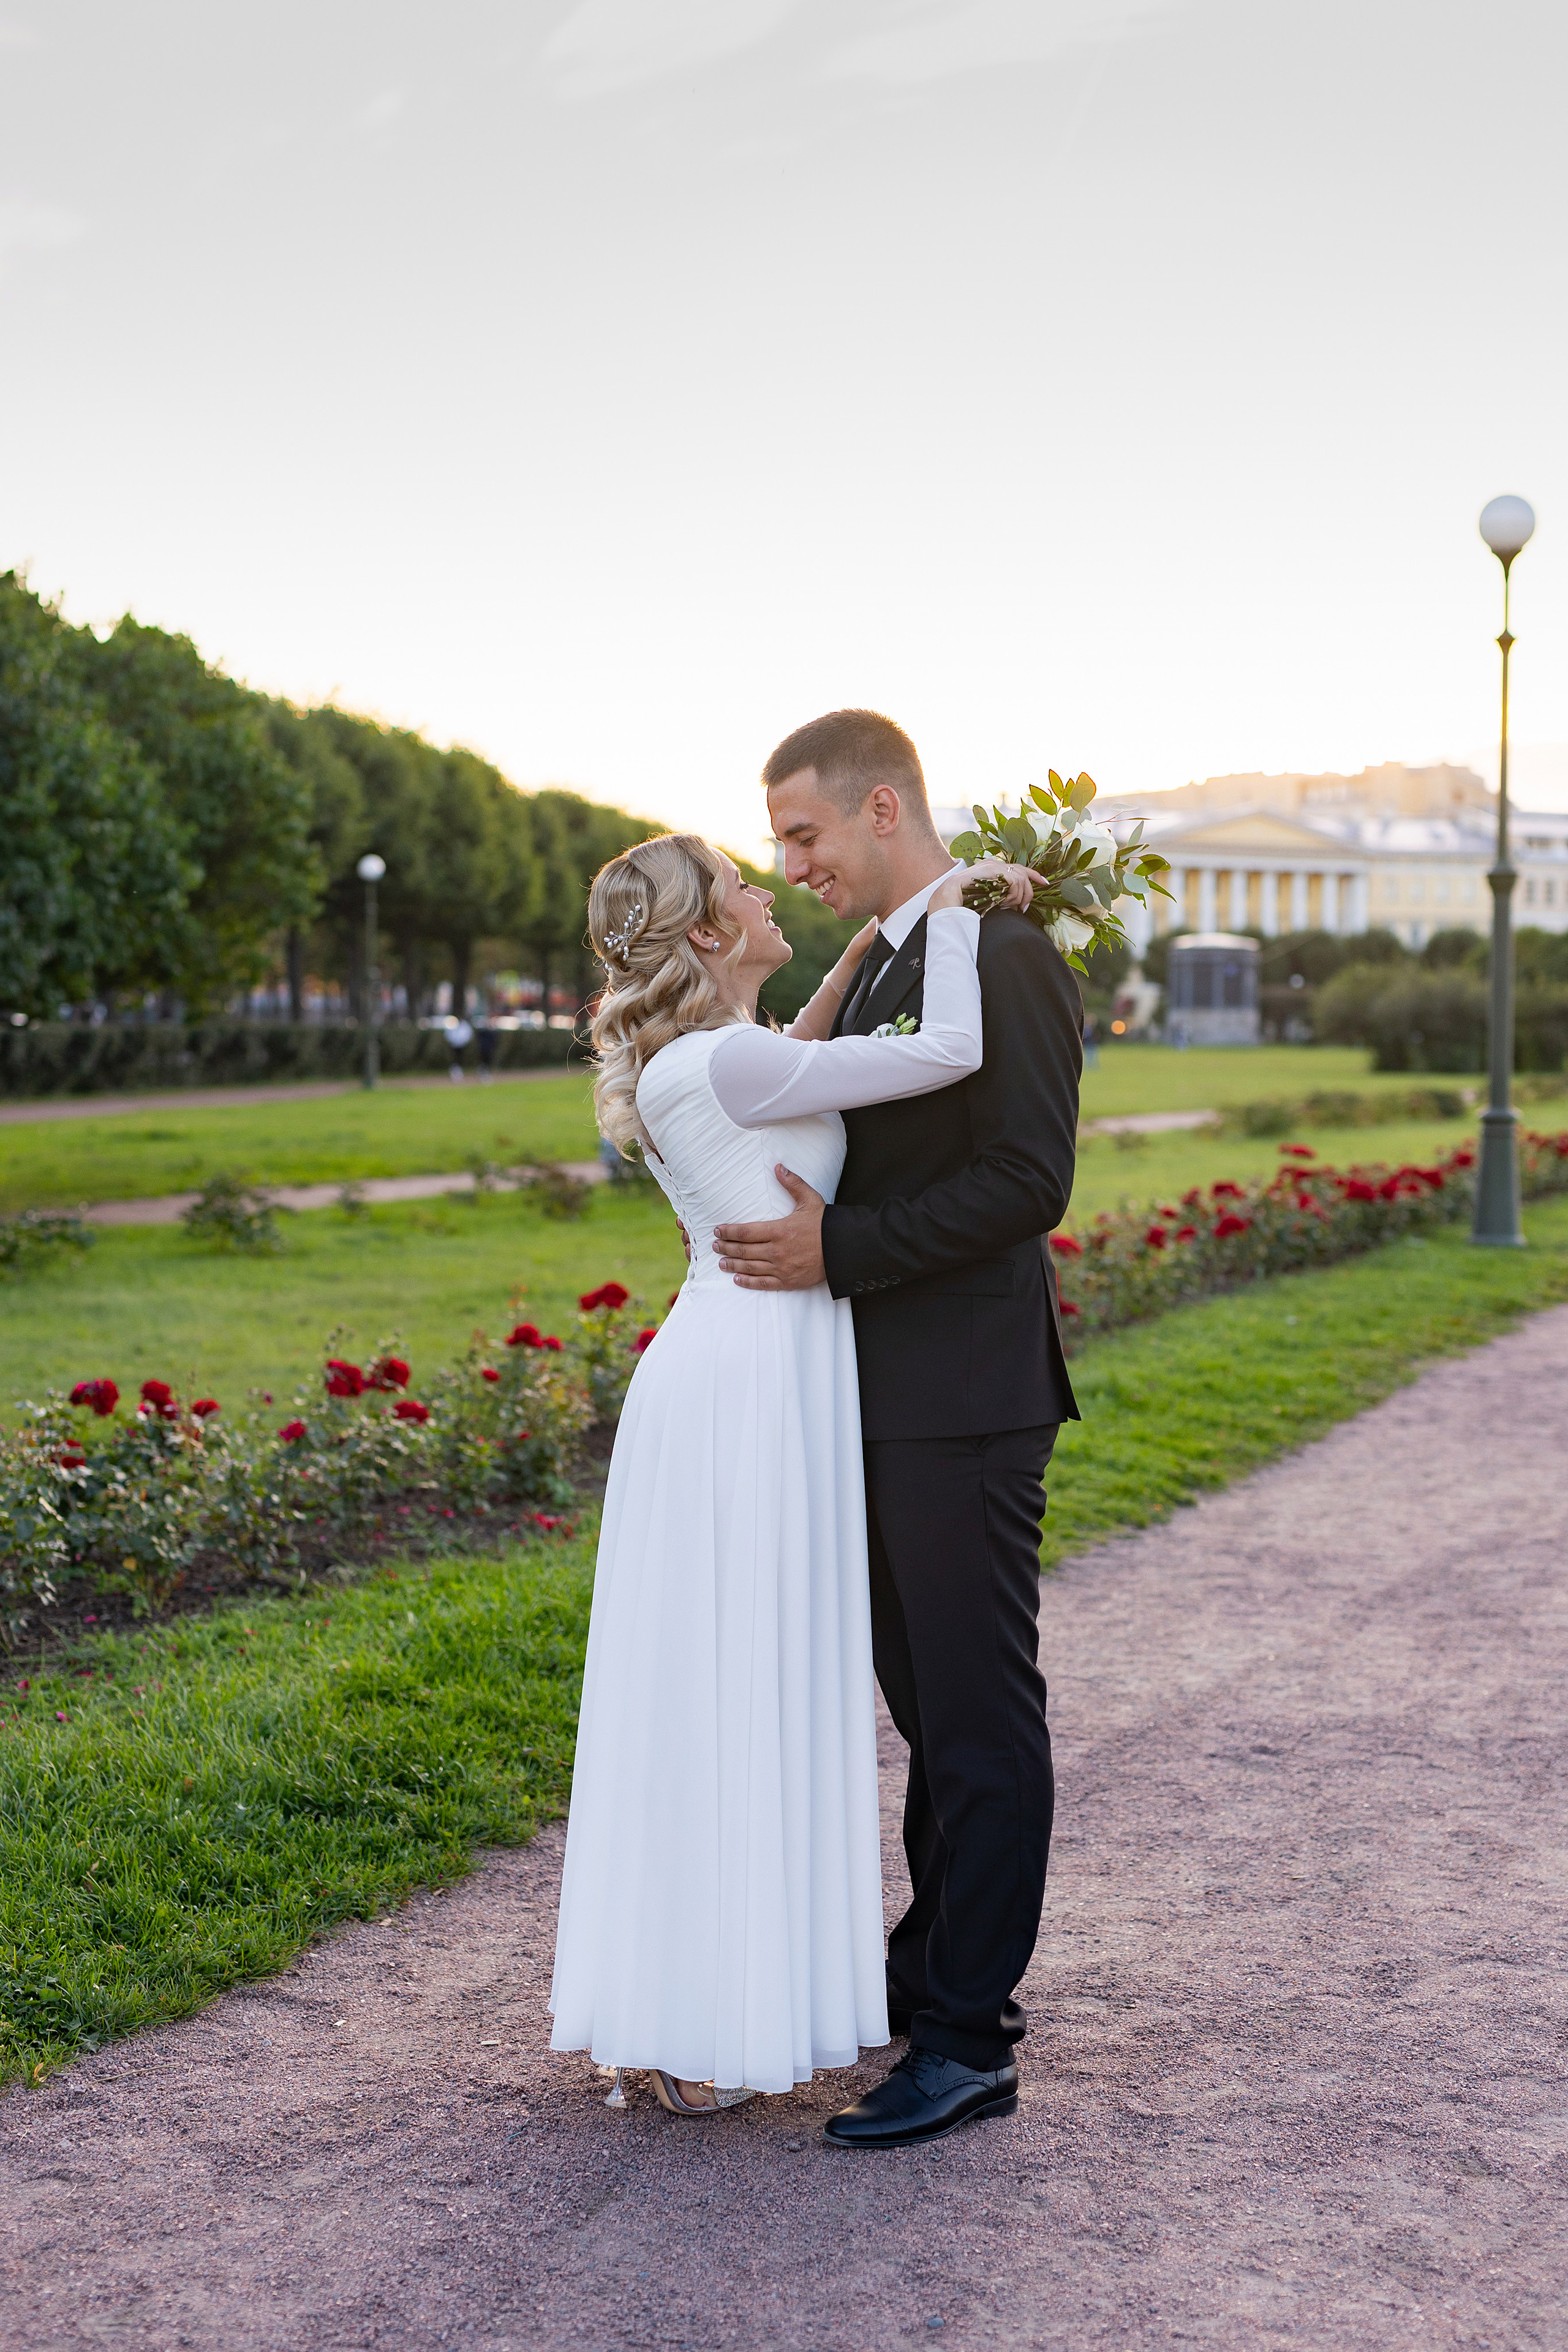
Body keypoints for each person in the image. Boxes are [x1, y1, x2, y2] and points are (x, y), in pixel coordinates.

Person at [548, 829, 1036, 2117]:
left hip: (728, 1363)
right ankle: (718, 2013)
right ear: (707, 934)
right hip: (755, 1375)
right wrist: (964, 915)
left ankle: (686, 2004)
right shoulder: (734, 1062)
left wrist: (878, 941)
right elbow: (943, 1054)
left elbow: (800, 1047)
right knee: (743, 1681)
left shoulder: (707, 1057)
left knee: (715, 1683)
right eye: (741, 885)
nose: (769, 891)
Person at [713, 709, 1082, 2150]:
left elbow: (1025, 1181)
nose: (788, 861)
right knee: (927, 1714)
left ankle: (968, 2042)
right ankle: (932, 1982)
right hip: (869, 1402)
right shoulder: (885, 976)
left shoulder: (1006, 958)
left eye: (800, 833)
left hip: (969, 1403)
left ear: (879, 808)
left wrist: (838, 1252)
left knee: (977, 1720)